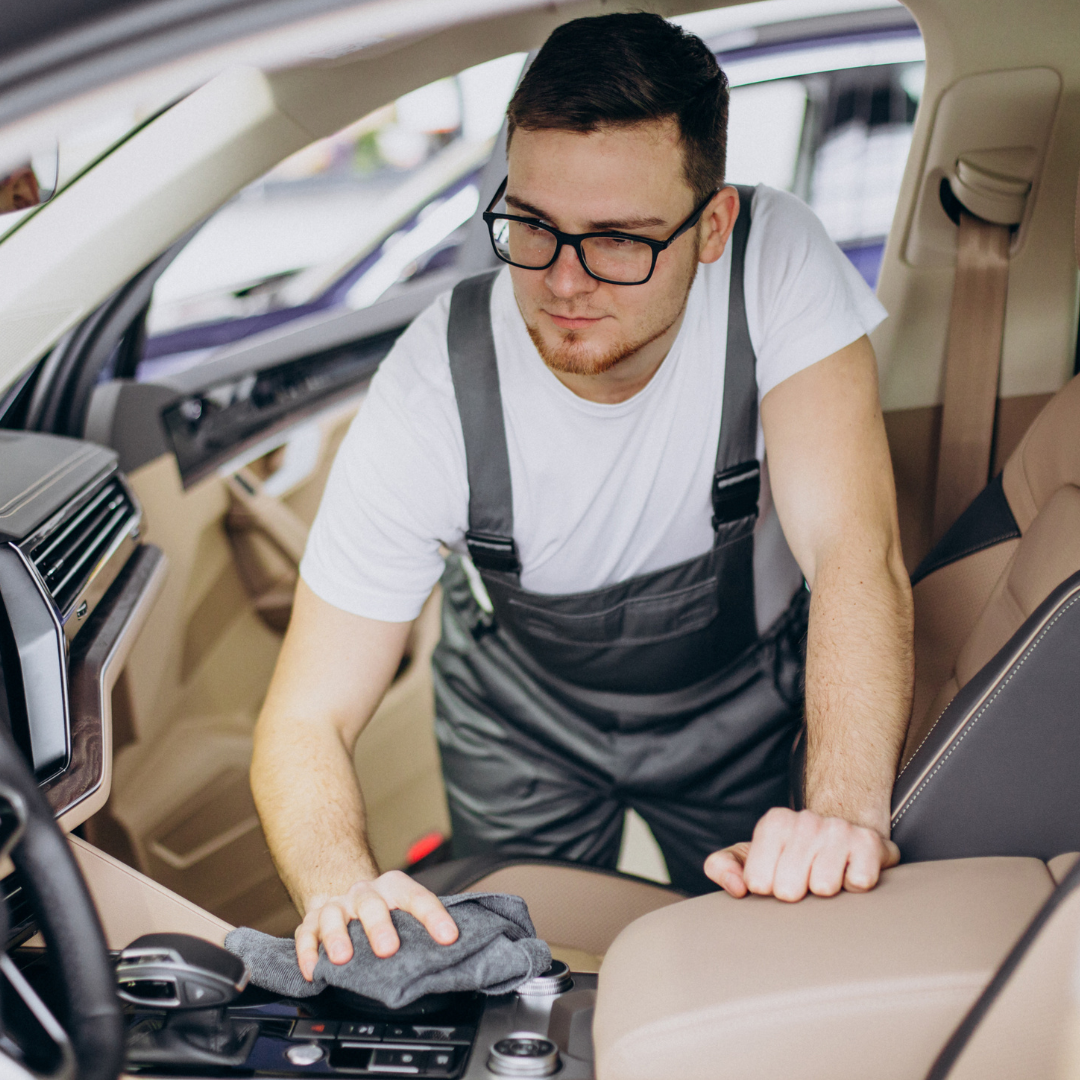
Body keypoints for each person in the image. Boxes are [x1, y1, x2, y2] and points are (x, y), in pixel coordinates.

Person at [251, 11, 914, 980]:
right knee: (518, 969)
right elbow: (305, 714)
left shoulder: (777, 261)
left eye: (619, 240)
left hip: (739, 697)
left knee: (774, 953)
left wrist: (842, 816)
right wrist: (340, 889)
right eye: (534, 227)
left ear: (713, 226)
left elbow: (856, 551)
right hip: (520, 719)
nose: (563, 282)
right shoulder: (435, 380)